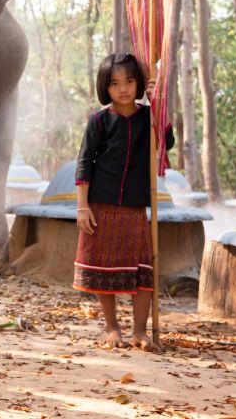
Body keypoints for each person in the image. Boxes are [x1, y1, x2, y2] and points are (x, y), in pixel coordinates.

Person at [74, 52, 174, 352]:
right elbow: (84, 164)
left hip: (135, 209)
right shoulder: (99, 121)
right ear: (105, 86)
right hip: (100, 208)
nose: (123, 89)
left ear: (139, 84)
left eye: (130, 81)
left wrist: (158, 104)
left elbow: (167, 142)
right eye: (115, 83)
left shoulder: (148, 118)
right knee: (105, 272)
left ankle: (140, 331)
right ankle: (112, 327)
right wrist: (82, 206)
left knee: (141, 271)